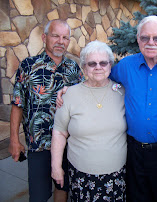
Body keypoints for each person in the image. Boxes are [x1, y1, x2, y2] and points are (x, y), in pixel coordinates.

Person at [57, 15, 157, 201]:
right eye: (145, 37)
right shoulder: (126, 66)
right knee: (136, 197)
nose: (150, 42)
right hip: (133, 152)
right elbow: (99, 75)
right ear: (138, 39)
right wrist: (71, 90)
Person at [9, 19, 83, 202]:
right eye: (55, 36)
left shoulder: (73, 68)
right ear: (44, 37)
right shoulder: (28, 66)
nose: (61, 41)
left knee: (62, 187)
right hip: (39, 144)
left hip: (67, 143)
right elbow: (18, 104)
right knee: (39, 195)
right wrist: (14, 139)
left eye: (65, 37)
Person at [51, 40, 127, 201]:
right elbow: (59, 132)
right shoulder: (69, 95)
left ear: (110, 65)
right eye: (92, 63)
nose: (98, 67)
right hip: (81, 177)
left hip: (117, 176)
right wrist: (56, 167)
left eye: (103, 63)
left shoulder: (123, 92)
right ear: (84, 68)